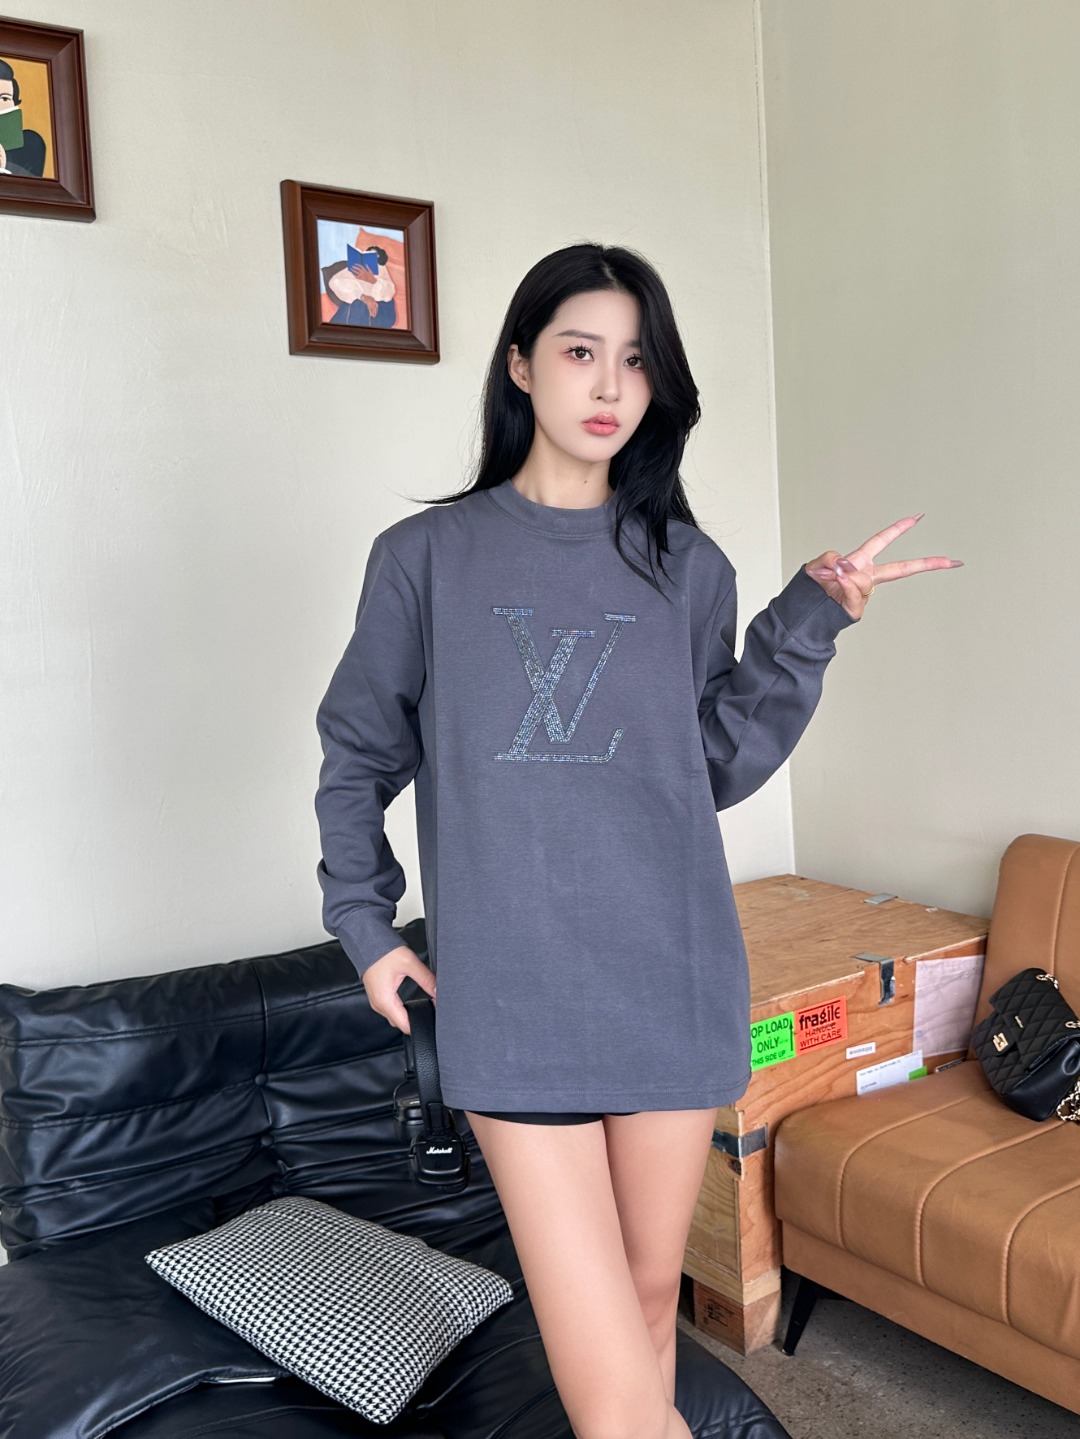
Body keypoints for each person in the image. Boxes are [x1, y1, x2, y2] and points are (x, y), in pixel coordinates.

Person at [313, 242, 962, 1439]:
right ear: (520, 365)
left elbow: (707, 765)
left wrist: (808, 623)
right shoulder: (425, 560)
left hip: (670, 980)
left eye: (636, 359)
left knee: (652, 1309)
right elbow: (357, 753)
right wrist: (365, 925)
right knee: (619, 1402)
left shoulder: (688, 566)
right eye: (580, 350)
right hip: (514, 1001)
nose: (610, 384)